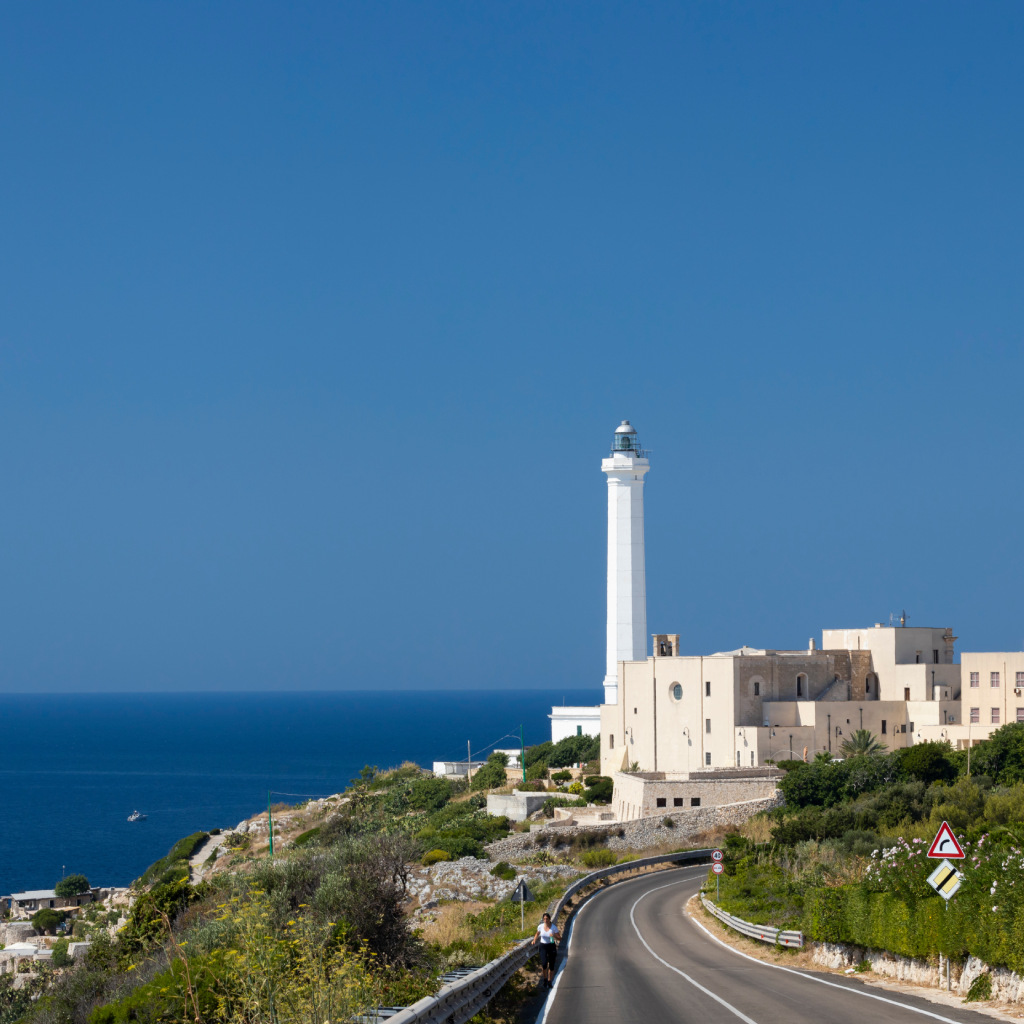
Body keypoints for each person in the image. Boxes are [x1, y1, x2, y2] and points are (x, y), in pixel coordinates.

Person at [531, 912, 561, 988]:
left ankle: (549, 981)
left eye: (547, 919)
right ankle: (545, 979)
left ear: (549, 919)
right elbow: (537, 934)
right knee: (544, 964)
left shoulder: (553, 927)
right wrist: (534, 940)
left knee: (551, 965)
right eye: (544, 919)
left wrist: (554, 935)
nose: (545, 920)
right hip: (543, 946)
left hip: (551, 946)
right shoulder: (540, 926)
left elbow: (560, 938)